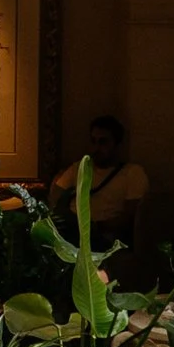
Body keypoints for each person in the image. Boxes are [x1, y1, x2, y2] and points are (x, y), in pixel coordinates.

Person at [52, 112, 151, 272]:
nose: (96, 148)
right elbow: (55, 197)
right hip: (72, 231)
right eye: (93, 141)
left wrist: (96, 227)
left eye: (103, 142)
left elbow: (131, 216)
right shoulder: (80, 167)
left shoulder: (132, 173)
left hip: (104, 236)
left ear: (117, 144)